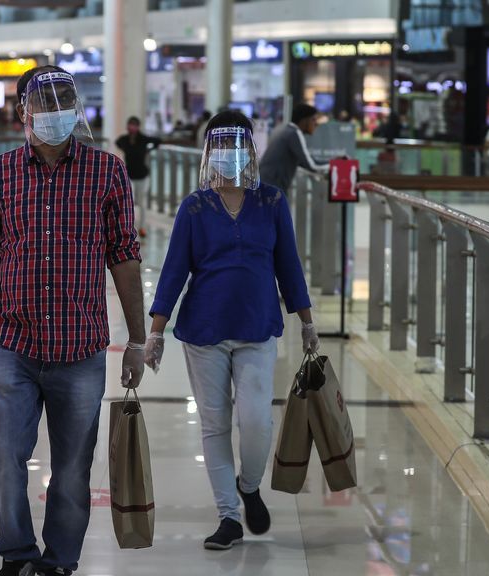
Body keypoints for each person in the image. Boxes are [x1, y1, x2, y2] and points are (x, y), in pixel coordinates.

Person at [0, 65, 147, 576]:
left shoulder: (107, 172)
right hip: (13, 344)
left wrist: (139, 342)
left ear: (76, 108)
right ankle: (17, 551)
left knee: (73, 470)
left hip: (80, 349)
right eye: (45, 103)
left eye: (63, 102)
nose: (55, 113)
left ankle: (59, 561)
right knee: (3, 457)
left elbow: (124, 257)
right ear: (23, 113)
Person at [144, 110, 319, 551]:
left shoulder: (272, 203)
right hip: (204, 329)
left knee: (256, 420)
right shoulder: (195, 207)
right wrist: (156, 331)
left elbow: (289, 268)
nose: (228, 155)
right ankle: (228, 515)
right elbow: (174, 271)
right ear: (209, 153)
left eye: (235, 145)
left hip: (258, 327)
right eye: (219, 147)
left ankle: (249, 483)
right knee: (215, 423)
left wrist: (308, 322)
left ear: (250, 149)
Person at [258, 103, 328, 195]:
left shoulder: (285, 130)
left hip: (265, 186)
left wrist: (332, 162)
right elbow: (312, 165)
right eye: (313, 119)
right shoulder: (294, 133)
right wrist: (336, 165)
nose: (316, 124)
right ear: (304, 120)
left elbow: (304, 163)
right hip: (272, 190)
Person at [115, 116, 162, 238]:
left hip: (142, 175)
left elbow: (157, 141)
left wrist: (149, 150)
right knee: (131, 201)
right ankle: (131, 228)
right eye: (131, 125)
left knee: (142, 202)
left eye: (135, 125)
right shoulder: (124, 139)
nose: (133, 127)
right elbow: (117, 142)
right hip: (129, 174)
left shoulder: (143, 139)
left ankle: (142, 227)